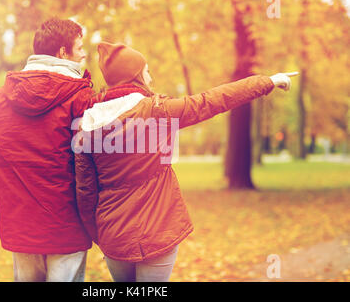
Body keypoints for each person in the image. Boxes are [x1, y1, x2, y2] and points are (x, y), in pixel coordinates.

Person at [74, 41, 297, 282]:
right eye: (146, 71)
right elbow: (212, 100)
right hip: (157, 233)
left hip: (114, 237)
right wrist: (268, 81)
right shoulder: (156, 111)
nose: (151, 78)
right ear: (135, 77)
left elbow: (85, 193)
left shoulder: (87, 125)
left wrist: (102, 235)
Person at [0, 17, 99, 282]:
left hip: (20, 220)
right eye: (80, 47)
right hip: (67, 222)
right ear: (63, 52)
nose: (84, 54)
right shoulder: (79, 97)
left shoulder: (1, 98)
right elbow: (89, 162)